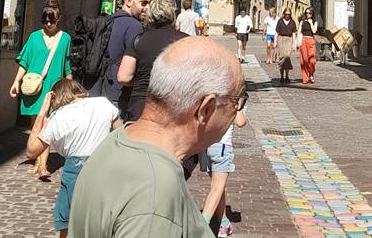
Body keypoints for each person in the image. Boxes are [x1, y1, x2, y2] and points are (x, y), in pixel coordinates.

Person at [68, 37, 246, 237]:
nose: (236, 111)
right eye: (237, 101)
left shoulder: (119, 139)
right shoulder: (155, 192)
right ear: (205, 108)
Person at [26, 79, 122, 237]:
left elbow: (31, 151)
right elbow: (120, 133)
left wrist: (42, 111)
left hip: (76, 170)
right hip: (103, 165)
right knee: (100, 220)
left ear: (55, 97)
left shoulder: (58, 117)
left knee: (67, 220)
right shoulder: (103, 104)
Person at [10, 0, 73, 178]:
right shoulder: (34, 37)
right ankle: (38, 161)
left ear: (58, 19)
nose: (48, 24)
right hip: (34, 88)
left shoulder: (65, 39)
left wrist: (70, 89)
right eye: (45, 20)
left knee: (47, 125)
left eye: (52, 20)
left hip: (53, 88)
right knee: (36, 126)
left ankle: (43, 165)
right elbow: (24, 61)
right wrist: (16, 81)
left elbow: (67, 65)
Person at [118, 0, 188, 121]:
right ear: (173, 14)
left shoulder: (138, 40)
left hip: (141, 105)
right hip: (174, 105)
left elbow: (123, 77)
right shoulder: (186, 41)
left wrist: (140, 81)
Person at [96, 0, 150, 112]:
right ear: (129, 1)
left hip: (101, 90)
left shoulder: (110, 20)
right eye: (143, 3)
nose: (147, 8)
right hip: (120, 94)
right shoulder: (134, 26)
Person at [200, 108, 248, 237]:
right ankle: (200, 228)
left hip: (205, 145)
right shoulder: (232, 99)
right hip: (221, 146)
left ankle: (224, 223)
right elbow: (240, 122)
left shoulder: (208, 96)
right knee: (217, 189)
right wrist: (239, 107)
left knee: (218, 187)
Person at [274, 8, 296, 84]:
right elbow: (276, 32)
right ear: (284, 14)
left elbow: (294, 33)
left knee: (287, 57)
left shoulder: (292, 22)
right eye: (286, 14)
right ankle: (282, 76)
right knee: (281, 57)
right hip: (281, 39)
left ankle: (287, 75)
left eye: (288, 14)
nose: (287, 16)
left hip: (289, 40)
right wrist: (275, 41)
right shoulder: (280, 21)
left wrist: (294, 44)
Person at [297, 8, 318, 84]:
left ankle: (311, 74)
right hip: (303, 41)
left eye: (309, 13)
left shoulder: (315, 22)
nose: (307, 14)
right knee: (304, 60)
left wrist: (311, 23)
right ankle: (305, 78)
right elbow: (299, 32)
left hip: (311, 40)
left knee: (312, 61)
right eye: (306, 13)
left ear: (312, 14)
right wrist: (297, 42)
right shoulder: (302, 22)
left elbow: (314, 31)